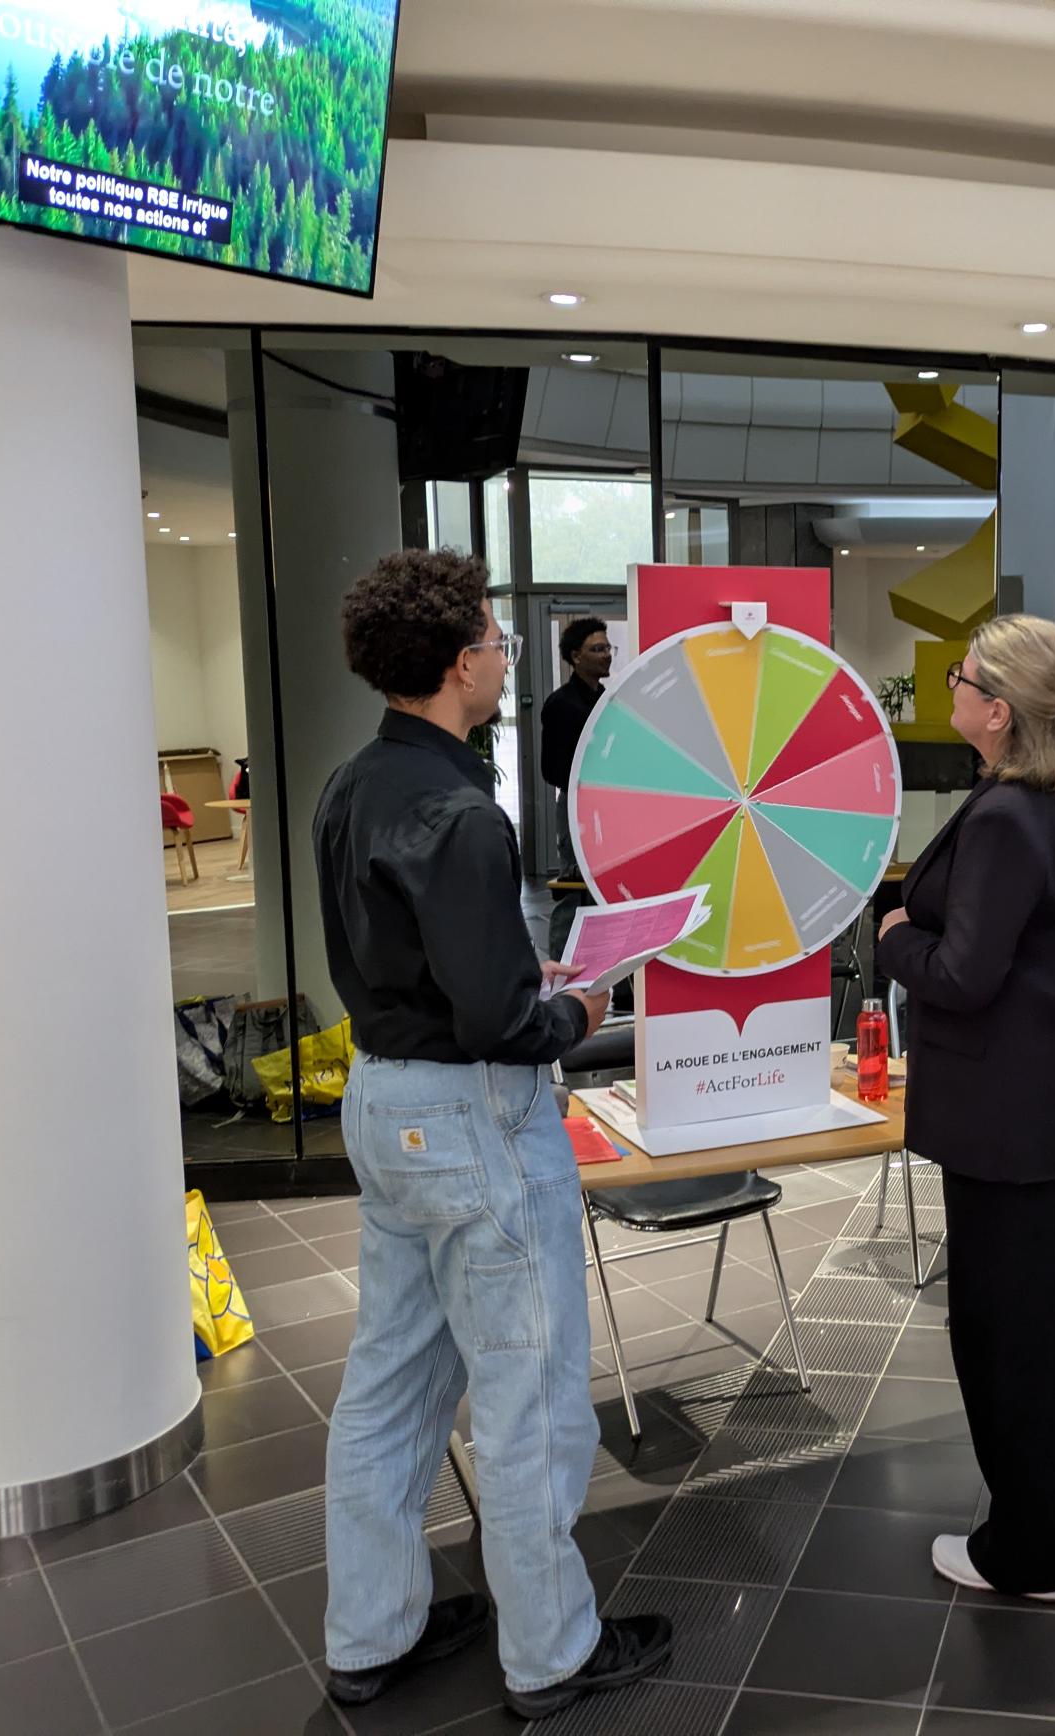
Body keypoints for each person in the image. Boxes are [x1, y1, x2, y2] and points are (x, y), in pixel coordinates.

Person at [313, 551, 669, 1720]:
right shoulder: (465, 810)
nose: (504, 656)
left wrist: (521, 974)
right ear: (463, 660)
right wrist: (575, 1004)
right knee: (525, 1389)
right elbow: (502, 1024)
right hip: (473, 1115)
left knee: (391, 1380)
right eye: (496, 641)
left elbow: (419, 964)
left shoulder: (352, 784)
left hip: (381, 1100)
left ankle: (372, 1630)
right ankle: (552, 1650)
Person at [876, 614, 1055, 1602]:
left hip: (1004, 1119)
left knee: (1006, 1328)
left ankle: (1028, 1549)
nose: (949, 682)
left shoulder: (1000, 817)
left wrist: (897, 932)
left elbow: (961, 973)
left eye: (963, 675)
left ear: (996, 710)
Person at [539, 616, 614, 960]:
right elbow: (552, 770)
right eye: (596, 649)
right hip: (576, 808)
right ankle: (561, 971)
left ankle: (614, 976)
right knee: (574, 891)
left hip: (609, 806)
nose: (606, 655)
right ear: (575, 657)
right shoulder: (561, 705)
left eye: (607, 648)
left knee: (608, 891)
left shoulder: (609, 700)